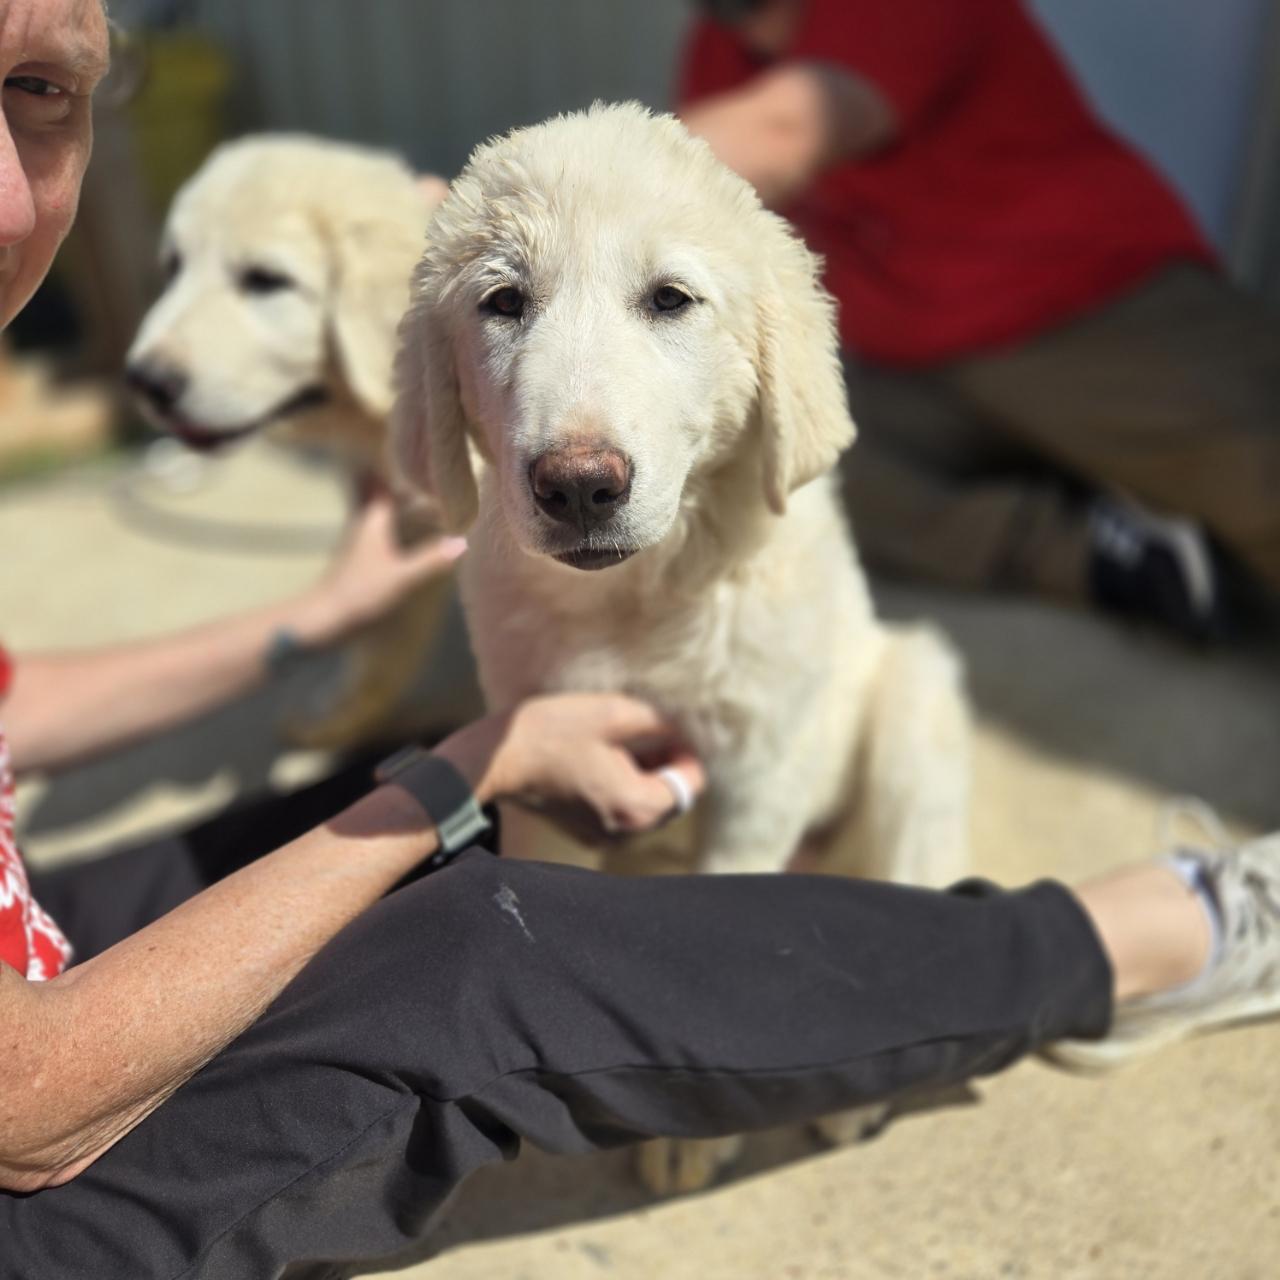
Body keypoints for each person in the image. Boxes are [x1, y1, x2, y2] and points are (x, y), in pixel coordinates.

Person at [3, 4, 1280, 1277]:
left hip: (1050, 319)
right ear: (442, 380)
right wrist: (471, 769)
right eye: (504, 303)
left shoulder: (812, 57)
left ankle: (979, 952)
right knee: (478, 908)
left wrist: (324, 638)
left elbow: (772, 772)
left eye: (667, 296)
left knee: (884, 704)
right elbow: (30, 1099)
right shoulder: (700, 86)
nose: (572, 445)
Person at [678, 0, 1280, 644]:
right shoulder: (716, 52)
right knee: (757, 470)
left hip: (1092, 312)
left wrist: (580, 172)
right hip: (909, 368)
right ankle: (1108, 555)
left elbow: (788, 131)